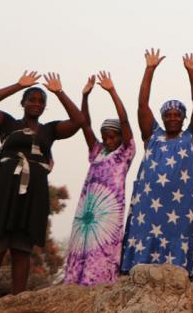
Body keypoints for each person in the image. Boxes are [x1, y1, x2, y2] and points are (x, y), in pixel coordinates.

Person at [121, 47, 193, 275]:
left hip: (180, 210)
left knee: (177, 253)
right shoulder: (153, 137)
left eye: (177, 115)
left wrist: (192, 72)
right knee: (143, 258)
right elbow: (142, 106)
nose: (172, 118)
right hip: (148, 208)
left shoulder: (191, 138)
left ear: (183, 118)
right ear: (161, 118)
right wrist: (149, 69)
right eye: (167, 115)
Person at [0, 71, 85, 294]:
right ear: (23, 103)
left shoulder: (49, 130)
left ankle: (17, 301)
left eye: (41, 101)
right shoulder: (8, 123)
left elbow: (79, 121)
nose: (36, 104)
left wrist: (59, 92)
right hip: (5, 186)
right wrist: (18, 85)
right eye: (32, 99)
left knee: (22, 246)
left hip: (33, 192)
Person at [64, 71, 135, 286]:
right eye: (105, 137)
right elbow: (85, 125)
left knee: (102, 248)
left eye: (113, 136)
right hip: (87, 209)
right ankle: (75, 282)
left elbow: (124, 120)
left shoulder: (125, 153)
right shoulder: (97, 151)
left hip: (109, 211)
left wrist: (112, 91)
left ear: (121, 138)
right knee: (81, 246)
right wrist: (85, 96)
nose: (108, 140)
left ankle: (99, 282)